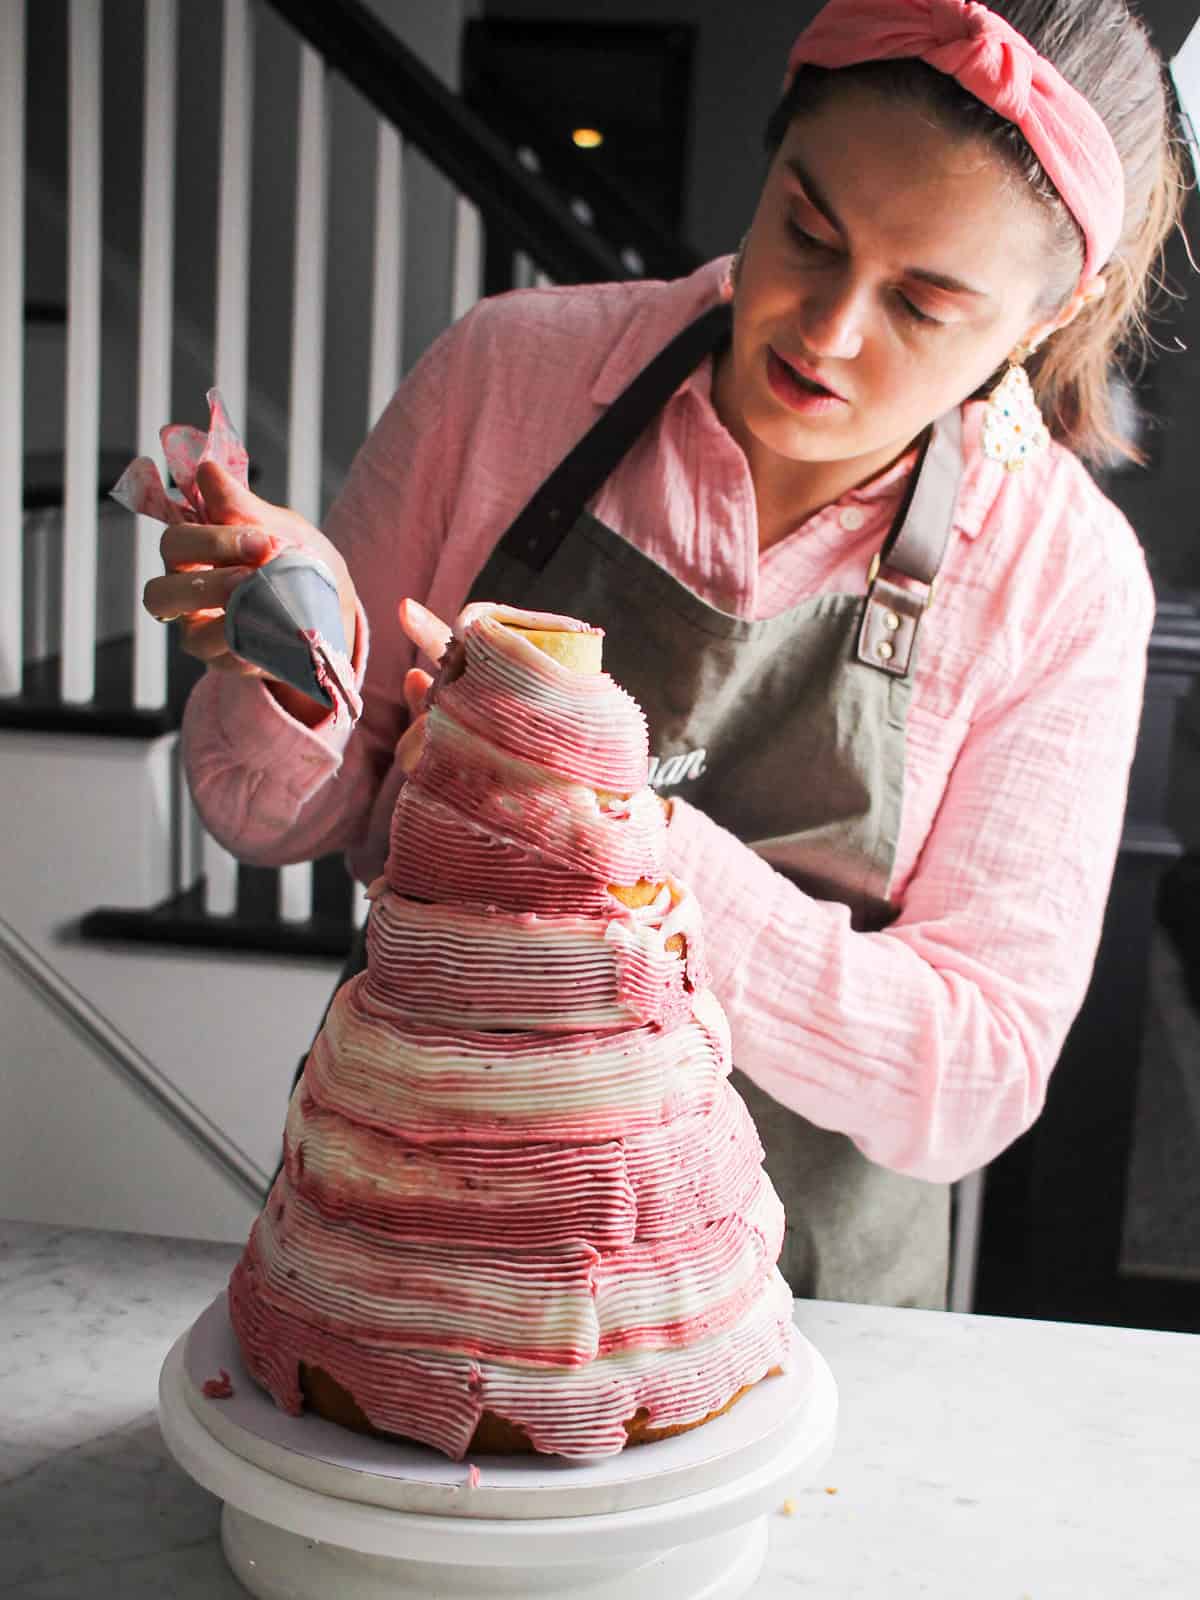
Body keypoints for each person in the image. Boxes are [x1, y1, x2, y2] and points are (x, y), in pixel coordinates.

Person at [144, 0, 1185, 1310]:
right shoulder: (511, 379)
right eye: (807, 229)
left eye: (925, 304)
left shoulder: (1060, 579)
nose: (829, 331)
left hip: (795, 1308)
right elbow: (255, 812)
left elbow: (972, 1081)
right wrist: (301, 653)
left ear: (1050, 314)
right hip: (432, 1260)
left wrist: (617, 826)